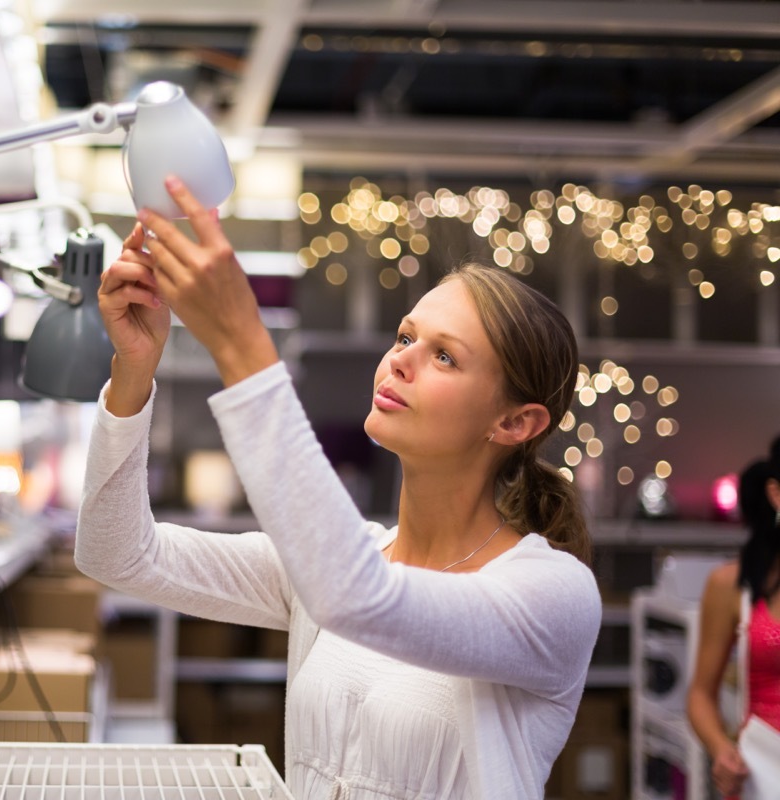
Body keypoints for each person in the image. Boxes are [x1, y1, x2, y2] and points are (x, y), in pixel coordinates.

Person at [74, 176, 602, 799]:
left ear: (515, 422)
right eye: (406, 337)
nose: (399, 360)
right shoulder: (344, 559)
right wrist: (134, 369)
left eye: (444, 356)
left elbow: (359, 598)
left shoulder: (551, 595)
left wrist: (242, 342)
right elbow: (118, 553)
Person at [688, 444, 780, 799]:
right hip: (764, 777)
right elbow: (700, 694)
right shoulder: (731, 585)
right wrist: (720, 749)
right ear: (775, 494)